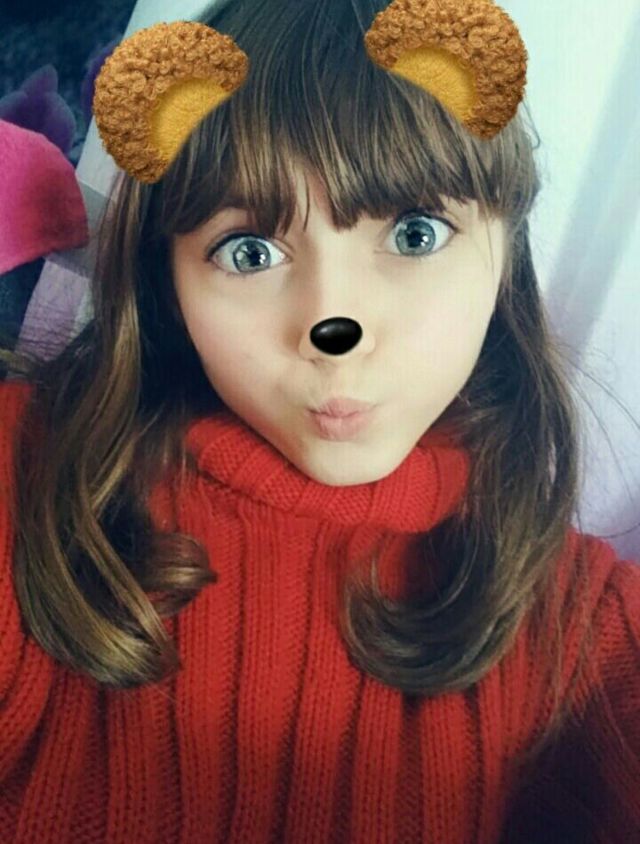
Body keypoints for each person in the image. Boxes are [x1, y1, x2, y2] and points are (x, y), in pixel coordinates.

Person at [0, 0, 638, 841]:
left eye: (415, 234)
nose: (333, 329)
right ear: (169, 283)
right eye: (250, 253)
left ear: (503, 251)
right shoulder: (25, 479)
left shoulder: (588, 629)